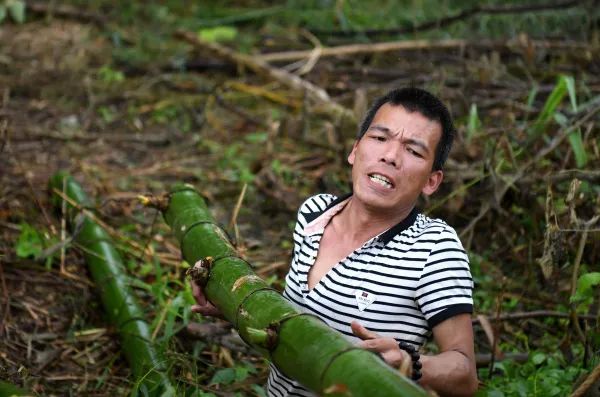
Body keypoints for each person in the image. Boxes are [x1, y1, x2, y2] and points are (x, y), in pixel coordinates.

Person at [192, 87, 478, 397]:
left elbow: (464, 374)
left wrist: (409, 362)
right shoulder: (314, 212)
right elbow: (299, 320)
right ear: (355, 150)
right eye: (380, 138)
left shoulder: (434, 247)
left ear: (432, 181)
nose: (390, 156)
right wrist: (231, 302)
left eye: (413, 151)